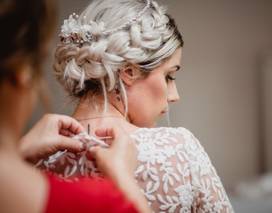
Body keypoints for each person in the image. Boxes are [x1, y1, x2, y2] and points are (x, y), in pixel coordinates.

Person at [47, 0, 235, 212]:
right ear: (129, 71)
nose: (174, 96)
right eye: (169, 76)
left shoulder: (37, 158)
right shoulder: (179, 149)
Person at [0, 0, 150, 212]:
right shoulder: (89, 202)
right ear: (22, 72)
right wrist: (122, 176)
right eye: (169, 76)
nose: (174, 96)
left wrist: (20, 151)